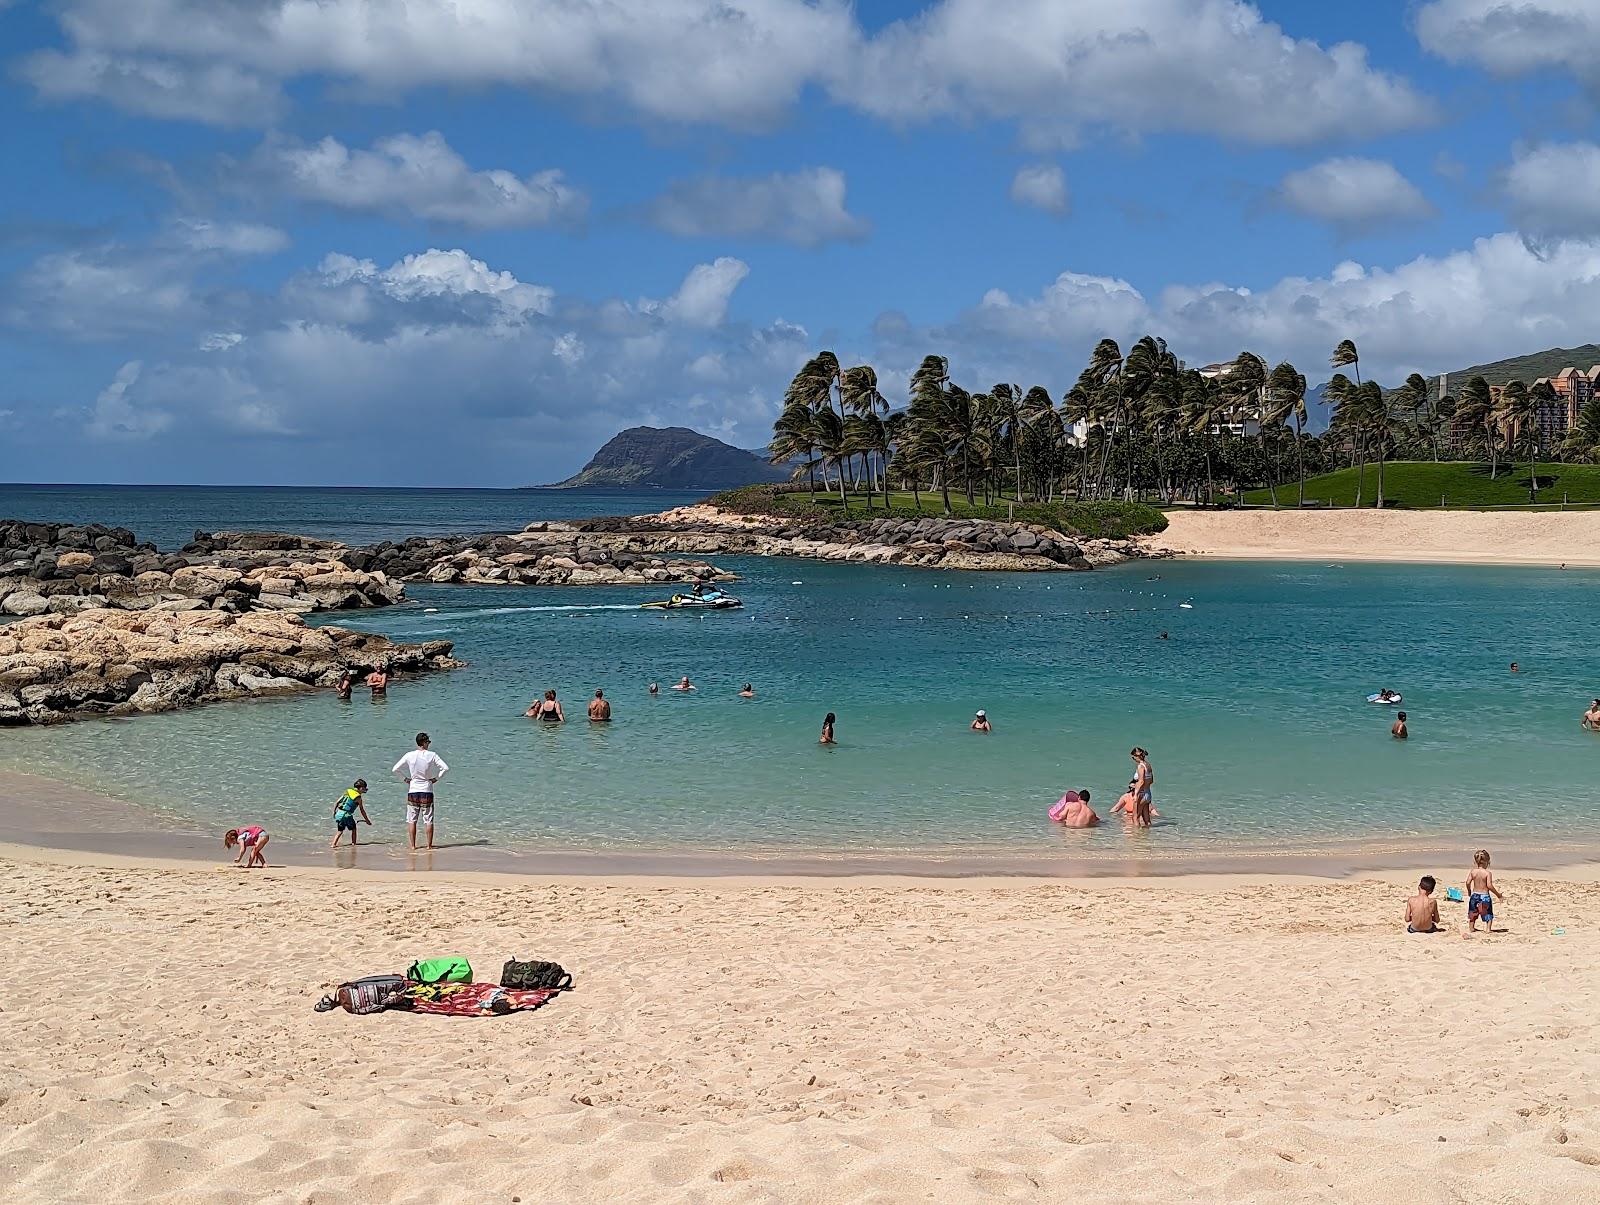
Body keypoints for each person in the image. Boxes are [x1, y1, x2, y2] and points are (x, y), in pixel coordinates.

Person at [392, 732, 448, 851]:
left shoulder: (409, 755)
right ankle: (429, 846)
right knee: (428, 820)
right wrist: (436, 779)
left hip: (413, 790)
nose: (429, 744)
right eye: (428, 742)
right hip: (427, 789)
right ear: (424, 742)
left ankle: (413, 846)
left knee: (412, 820)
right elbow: (445, 768)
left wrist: (405, 779)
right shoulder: (432, 755)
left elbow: (395, 769)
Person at [1465, 849, 1505, 933]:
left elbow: (1468, 882)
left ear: (1476, 861)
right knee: (1488, 913)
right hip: (1484, 896)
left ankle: (1471, 928)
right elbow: (1489, 886)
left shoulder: (1473, 872)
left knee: (1473, 912)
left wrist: (1469, 891)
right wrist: (1498, 894)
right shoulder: (1487, 873)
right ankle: (1488, 929)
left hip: (1474, 895)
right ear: (1487, 862)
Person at [331, 779, 370, 848]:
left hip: (339, 813)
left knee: (340, 831)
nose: (365, 789)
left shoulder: (347, 792)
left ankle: (333, 845)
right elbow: (362, 810)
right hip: (346, 815)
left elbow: (337, 802)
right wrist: (367, 820)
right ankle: (353, 844)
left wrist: (334, 812)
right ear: (360, 788)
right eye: (364, 788)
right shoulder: (358, 798)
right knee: (354, 829)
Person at [1129, 747, 1155, 827]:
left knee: (1135, 817)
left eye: (1133, 757)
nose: (1133, 759)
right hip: (1148, 793)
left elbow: (1141, 781)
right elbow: (1151, 781)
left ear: (1136, 756)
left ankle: (1136, 837)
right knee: (1146, 819)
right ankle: (1147, 836)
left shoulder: (1140, 766)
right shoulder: (1148, 765)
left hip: (1141, 793)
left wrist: (1136, 793)